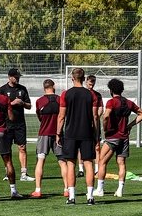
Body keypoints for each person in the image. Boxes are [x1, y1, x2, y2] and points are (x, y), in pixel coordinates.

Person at [94, 78, 142, 198]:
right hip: (124, 137)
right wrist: (130, 125)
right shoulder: (128, 102)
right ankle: (120, 189)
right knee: (121, 163)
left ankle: (100, 189)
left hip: (112, 136)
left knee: (102, 162)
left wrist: (105, 128)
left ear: (111, 90)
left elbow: (105, 116)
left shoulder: (111, 102)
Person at [58, 68, 99, 205]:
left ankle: (72, 197)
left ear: (72, 78)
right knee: (88, 164)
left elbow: (61, 116)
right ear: (84, 79)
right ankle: (90, 197)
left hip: (71, 133)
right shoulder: (91, 95)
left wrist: (58, 133)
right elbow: (95, 116)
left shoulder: (66, 94)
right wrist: (97, 134)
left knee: (71, 164)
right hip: (87, 132)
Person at [29, 79, 67, 198]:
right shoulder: (60, 99)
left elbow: (39, 117)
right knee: (62, 162)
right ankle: (67, 189)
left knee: (40, 161)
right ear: (53, 86)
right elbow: (63, 116)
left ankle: (38, 189)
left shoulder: (40, 101)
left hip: (44, 133)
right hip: (58, 134)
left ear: (43, 88)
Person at [0, 68, 33, 181]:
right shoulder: (3, 89)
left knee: (22, 147)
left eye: (18, 77)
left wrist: (22, 103)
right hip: (7, 124)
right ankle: (8, 172)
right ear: (9, 77)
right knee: (7, 149)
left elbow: (29, 106)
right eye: (15, 77)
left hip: (20, 124)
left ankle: (24, 173)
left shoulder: (23, 89)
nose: (17, 78)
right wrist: (12, 103)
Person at [78, 76, 104, 178]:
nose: (91, 85)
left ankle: (97, 169)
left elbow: (101, 108)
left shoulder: (97, 95)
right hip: (83, 123)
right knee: (80, 147)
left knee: (97, 146)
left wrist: (95, 117)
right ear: (86, 82)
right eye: (90, 83)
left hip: (94, 123)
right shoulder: (83, 94)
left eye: (93, 83)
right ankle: (81, 170)